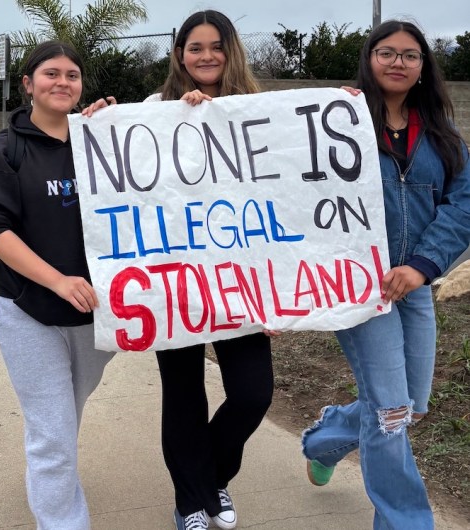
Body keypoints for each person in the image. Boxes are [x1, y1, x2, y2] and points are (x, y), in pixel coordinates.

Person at [302, 20, 470, 530]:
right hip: (355, 289)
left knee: (410, 406)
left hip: (412, 286)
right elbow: (292, 196)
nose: (398, 62)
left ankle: (326, 438)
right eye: (387, 52)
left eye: (410, 55)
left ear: (424, 67)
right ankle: (405, 522)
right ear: (369, 59)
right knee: (392, 412)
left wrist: (421, 267)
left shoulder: (442, 134)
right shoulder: (336, 122)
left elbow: (462, 205)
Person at [0, 41, 114, 529]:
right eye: (51, 73)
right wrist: (56, 280)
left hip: (96, 313)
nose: (63, 83)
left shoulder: (104, 140)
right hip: (27, 307)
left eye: (73, 75)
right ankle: (62, 519)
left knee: (66, 414)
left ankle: (54, 481)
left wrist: (136, 123)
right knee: (52, 431)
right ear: (28, 83)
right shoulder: (4, 149)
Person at [143, 11, 272, 530]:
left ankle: (211, 477)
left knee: (251, 393)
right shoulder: (155, 108)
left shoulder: (260, 110)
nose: (206, 56)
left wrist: (346, 107)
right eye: (194, 48)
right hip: (175, 277)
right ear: (179, 55)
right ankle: (190, 499)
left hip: (239, 281)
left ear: (231, 49)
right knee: (184, 393)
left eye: (216, 46)